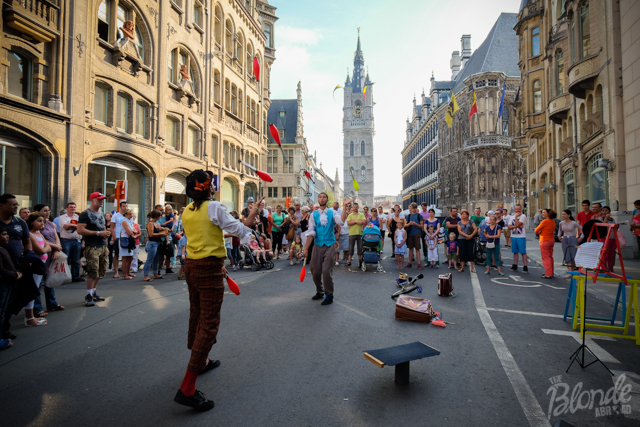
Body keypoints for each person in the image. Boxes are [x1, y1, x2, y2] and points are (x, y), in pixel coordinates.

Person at [174, 170, 262, 411]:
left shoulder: (187, 211)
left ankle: (200, 360)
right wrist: (253, 215)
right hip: (208, 268)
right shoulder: (214, 207)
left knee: (197, 314)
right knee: (210, 324)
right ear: (208, 188)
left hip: (193, 266)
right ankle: (187, 387)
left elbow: (205, 235)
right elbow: (240, 231)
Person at [302, 194, 349, 306]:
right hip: (317, 245)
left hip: (329, 244)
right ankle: (320, 291)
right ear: (318, 199)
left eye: (324, 197)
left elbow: (341, 222)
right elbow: (311, 232)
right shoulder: (313, 215)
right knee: (315, 271)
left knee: (326, 271)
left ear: (327, 200)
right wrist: (305, 249)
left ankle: (329, 295)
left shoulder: (332, 212)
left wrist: (345, 207)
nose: (322, 198)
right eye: (320, 197)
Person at [0, 194, 32, 341]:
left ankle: (4, 329)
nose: (16, 207)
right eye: (12, 205)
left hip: (16, 266)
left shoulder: (20, 222)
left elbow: (27, 242)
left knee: (10, 301)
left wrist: (27, 257)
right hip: (1, 267)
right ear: (1, 205)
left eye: (16, 204)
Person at [77, 193, 111, 306]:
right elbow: (80, 230)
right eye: (99, 199)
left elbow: (103, 229)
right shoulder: (85, 214)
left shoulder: (101, 213)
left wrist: (106, 245)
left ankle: (93, 292)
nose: (101, 201)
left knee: (100, 272)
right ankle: (88, 295)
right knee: (92, 271)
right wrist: (98, 233)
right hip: (92, 246)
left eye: (103, 200)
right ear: (92, 200)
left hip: (102, 246)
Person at [32, 204, 64, 316]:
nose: (48, 212)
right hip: (42, 252)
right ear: (37, 212)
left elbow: (56, 237)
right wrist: (55, 247)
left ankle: (52, 303)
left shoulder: (51, 223)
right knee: (38, 282)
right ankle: (37, 308)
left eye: (48, 210)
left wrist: (57, 250)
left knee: (50, 279)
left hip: (52, 254)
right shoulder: (35, 225)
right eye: (44, 210)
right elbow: (40, 238)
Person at [25, 212, 50, 326]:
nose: (42, 223)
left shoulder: (39, 233)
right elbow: (41, 250)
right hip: (34, 266)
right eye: (39, 221)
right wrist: (45, 249)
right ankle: (29, 317)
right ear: (31, 222)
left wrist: (46, 248)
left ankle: (31, 316)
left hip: (41, 265)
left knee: (35, 289)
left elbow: (48, 246)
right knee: (32, 290)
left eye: (43, 221)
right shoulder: (30, 234)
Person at [0, 224, 22, 350]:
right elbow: (1, 270)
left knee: (3, 310)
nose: (7, 236)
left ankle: (3, 334)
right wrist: (14, 274)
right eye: (4, 234)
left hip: (7, 283)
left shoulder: (3, 249)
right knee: (1, 311)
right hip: (3, 283)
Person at [59, 202, 84, 282]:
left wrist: (71, 225)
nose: (73, 208)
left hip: (77, 240)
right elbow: (65, 226)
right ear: (67, 208)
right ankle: (64, 277)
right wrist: (77, 226)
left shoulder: (78, 217)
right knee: (65, 260)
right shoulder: (62, 217)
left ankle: (75, 277)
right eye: (71, 207)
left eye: (74, 207)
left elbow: (83, 227)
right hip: (66, 241)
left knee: (76, 260)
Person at [144, 210, 170, 282]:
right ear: (157, 216)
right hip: (152, 243)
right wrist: (161, 234)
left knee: (156, 260)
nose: (161, 217)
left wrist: (165, 229)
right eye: (160, 216)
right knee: (150, 259)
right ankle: (146, 275)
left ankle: (155, 273)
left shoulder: (156, 223)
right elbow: (151, 234)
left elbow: (160, 228)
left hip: (157, 243)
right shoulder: (150, 224)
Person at [558, 210, 583, 279]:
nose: (563, 215)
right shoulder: (561, 223)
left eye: (565, 214)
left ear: (569, 215)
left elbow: (583, 229)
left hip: (573, 239)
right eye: (562, 214)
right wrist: (559, 236)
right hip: (564, 239)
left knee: (574, 255)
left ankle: (576, 272)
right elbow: (560, 230)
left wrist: (581, 238)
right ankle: (570, 272)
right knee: (567, 255)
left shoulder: (574, 223)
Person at [535, 209, 557, 279]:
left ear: (548, 214)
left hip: (544, 240)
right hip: (551, 239)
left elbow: (536, 230)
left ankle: (548, 273)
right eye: (542, 212)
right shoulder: (553, 221)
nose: (542, 213)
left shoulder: (544, 221)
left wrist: (540, 232)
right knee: (550, 256)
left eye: (544, 212)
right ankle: (550, 272)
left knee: (545, 257)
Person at [109, 201, 128, 278]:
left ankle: (125, 272)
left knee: (125, 256)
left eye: (126, 206)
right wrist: (114, 238)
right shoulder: (115, 216)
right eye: (123, 206)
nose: (125, 207)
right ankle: (116, 272)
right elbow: (112, 227)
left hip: (126, 237)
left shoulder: (127, 216)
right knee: (116, 255)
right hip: (118, 237)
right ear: (120, 207)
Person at [508, 204, 529, 273]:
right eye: (516, 209)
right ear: (514, 210)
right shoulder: (511, 217)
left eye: (519, 209)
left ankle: (525, 266)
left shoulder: (523, 216)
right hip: (513, 236)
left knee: (523, 252)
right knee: (515, 252)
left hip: (521, 236)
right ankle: (515, 265)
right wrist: (516, 226)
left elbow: (517, 224)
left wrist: (516, 219)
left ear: (521, 209)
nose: (518, 211)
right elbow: (509, 227)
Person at [346, 203, 366, 267]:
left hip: (360, 233)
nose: (355, 208)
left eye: (356, 207)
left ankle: (360, 260)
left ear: (358, 207)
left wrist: (354, 221)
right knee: (351, 247)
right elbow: (348, 223)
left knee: (360, 247)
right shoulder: (350, 215)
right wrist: (357, 222)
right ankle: (349, 261)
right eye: (354, 207)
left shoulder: (361, 214)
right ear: (352, 207)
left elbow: (364, 222)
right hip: (352, 233)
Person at [118, 209, 136, 280]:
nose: (131, 215)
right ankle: (124, 274)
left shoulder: (130, 222)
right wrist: (132, 231)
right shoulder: (125, 221)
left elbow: (135, 230)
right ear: (125, 214)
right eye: (129, 214)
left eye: (131, 214)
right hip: (125, 239)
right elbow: (129, 232)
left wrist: (132, 231)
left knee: (130, 257)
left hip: (129, 239)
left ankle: (128, 272)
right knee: (125, 258)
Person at [405, 203, 424, 269]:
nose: (412, 210)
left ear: (415, 208)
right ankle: (409, 262)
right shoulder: (408, 216)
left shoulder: (419, 216)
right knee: (410, 249)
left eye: (413, 208)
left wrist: (416, 224)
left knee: (417, 249)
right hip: (410, 233)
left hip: (417, 233)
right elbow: (404, 225)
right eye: (411, 208)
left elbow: (422, 226)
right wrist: (409, 224)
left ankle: (419, 263)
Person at [601, 206, 617, 272]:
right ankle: (604, 269)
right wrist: (606, 218)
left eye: (606, 210)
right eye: (603, 211)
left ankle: (610, 269)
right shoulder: (601, 218)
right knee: (605, 255)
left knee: (611, 255)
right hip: (605, 238)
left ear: (609, 211)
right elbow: (603, 226)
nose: (604, 212)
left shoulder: (613, 219)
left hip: (613, 238)